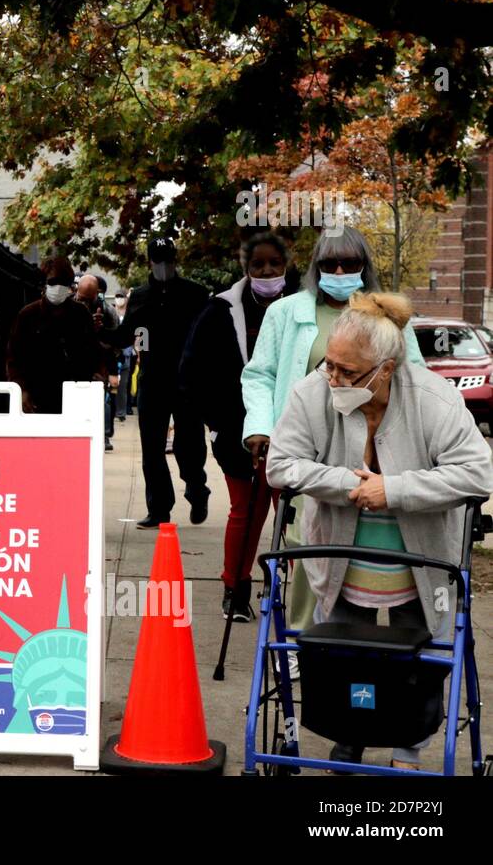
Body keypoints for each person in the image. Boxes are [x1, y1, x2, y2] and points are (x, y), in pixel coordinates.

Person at [266, 292, 493, 769]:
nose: (333, 378)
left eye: (347, 372)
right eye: (330, 363)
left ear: (385, 370)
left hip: (420, 564)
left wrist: (395, 489)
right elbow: (281, 466)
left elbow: (478, 474)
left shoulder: (435, 399)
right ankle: (350, 739)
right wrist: (348, 483)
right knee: (347, 659)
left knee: (420, 664)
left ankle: (407, 752)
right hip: (343, 560)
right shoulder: (313, 393)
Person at [241, 225, 423, 669]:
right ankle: (305, 641)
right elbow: (259, 374)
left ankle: (374, 647)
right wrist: (260, 426)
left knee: (368, 549)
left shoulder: (390, 317)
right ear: (315, 268)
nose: (339, 271)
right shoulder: (286, 313)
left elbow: (416, 378)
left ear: (365, 267)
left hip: (374, 451)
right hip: (310, 447)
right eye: (329, 264)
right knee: (308, 543)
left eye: (350, 264)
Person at [181, 233, 296, 620]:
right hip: (237, 436)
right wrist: (217, 424)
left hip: (295, 435)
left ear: (287, 266)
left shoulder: (300, 308)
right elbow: (192, 373)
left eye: (274, 265)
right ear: (245, 268)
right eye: (258, 265)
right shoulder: (219, 311)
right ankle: (235, 588)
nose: (267, 272)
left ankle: (298, 595)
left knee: (294, 517)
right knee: (245, 513)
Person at [111, 237, 210, 528]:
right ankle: (159, 508)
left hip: (186, 381)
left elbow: (208, 336)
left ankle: (196, 488)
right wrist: (102, 333)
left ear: (175, 261)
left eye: (167, 260)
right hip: (152, 381)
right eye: (158, 260)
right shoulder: (140, 297)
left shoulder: (195, 294)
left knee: (189, 443)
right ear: (149, 263)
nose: (163, 266)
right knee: (152, 448)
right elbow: (126, 336)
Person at [5, 255, 100, 413]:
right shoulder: (28, 315)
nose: (58, 287)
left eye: (63, 283)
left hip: (74, 395)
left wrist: (97, 375)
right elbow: (14, 357)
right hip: (37, 395)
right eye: (53, 282)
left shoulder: (80, 314)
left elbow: (92, 350)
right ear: (45, 284)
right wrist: (22, 390)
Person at [75, 275, 120, 450]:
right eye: (81, 298)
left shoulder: (107, 312)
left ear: (96, 295)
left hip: (98, 366)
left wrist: (99, 331)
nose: (84, 303)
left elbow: (114, 344)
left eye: (88, 299)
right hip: (73, 365)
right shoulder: (70, 306)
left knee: (101, 402)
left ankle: (102, 435)